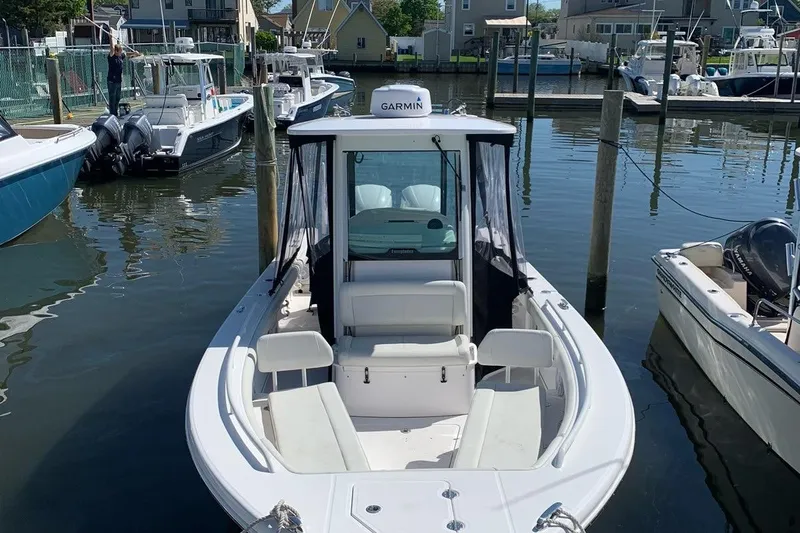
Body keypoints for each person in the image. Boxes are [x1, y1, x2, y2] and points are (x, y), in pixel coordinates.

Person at [107, 38, 139, 117]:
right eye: (120, 51)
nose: (121, 52)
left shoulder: (120, 56)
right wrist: (110, 38)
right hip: (112, 81)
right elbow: (111, 48)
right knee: (112, 98)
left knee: (118, 98)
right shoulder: (112, 56)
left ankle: (116, 112)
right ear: (116, 51)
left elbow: (126, 54)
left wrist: (134, 53)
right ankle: (112, 114)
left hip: (118, 81)